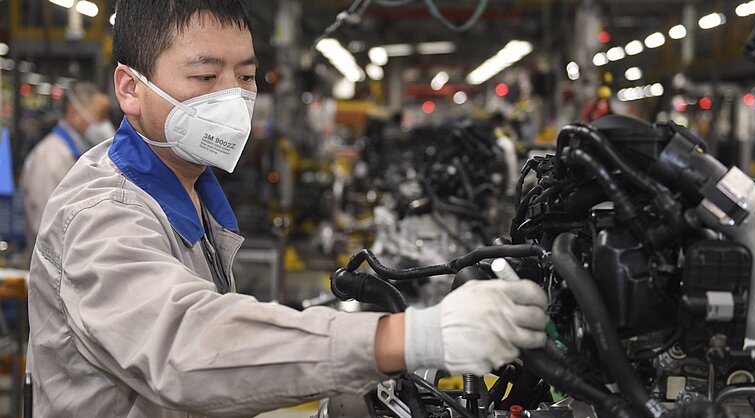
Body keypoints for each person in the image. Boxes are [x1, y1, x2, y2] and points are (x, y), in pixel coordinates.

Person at [25, 1, 549, 417]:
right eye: (205, 78)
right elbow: (188, 347)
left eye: (246, 77)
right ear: (130, 89)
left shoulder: (188, 187)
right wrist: (414, 337)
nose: (233, 99)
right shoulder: (101, 213)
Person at [19, 81, 114, 251]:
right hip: (57, 269)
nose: (104, 124)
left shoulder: (79, 153)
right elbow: (46, 225)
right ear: (74, 113)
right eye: (100, 115)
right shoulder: (51, 157)